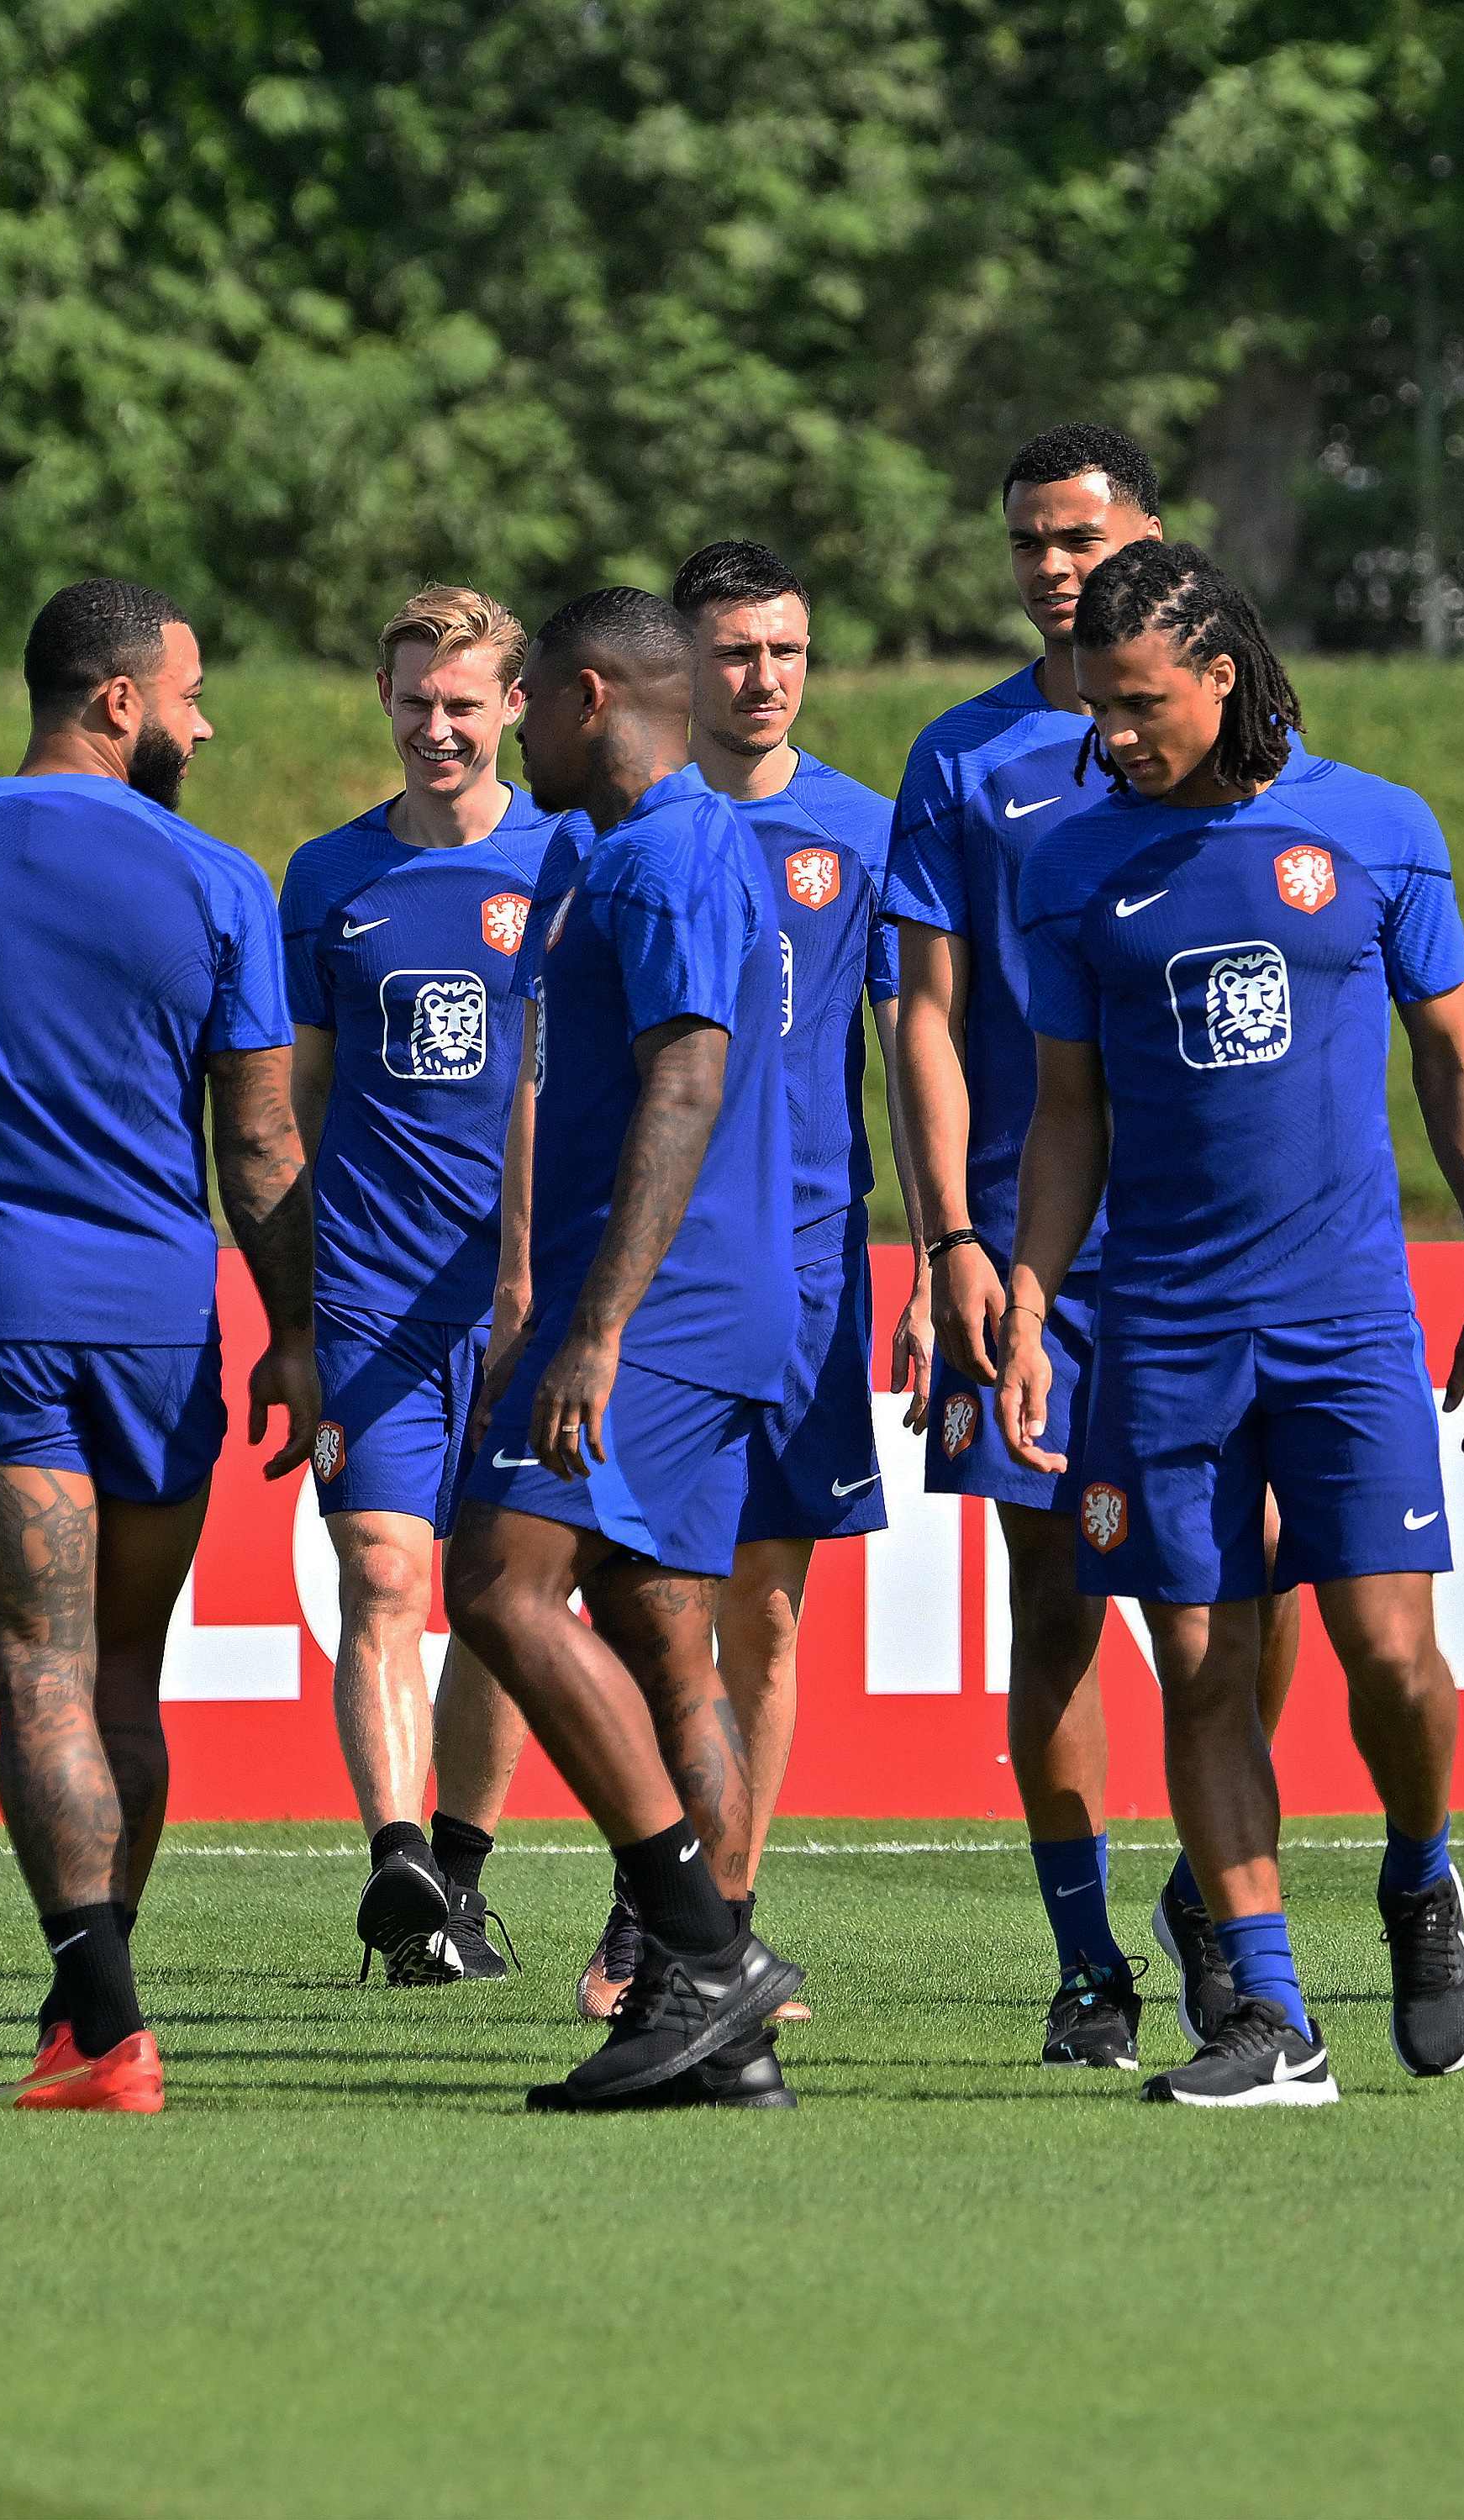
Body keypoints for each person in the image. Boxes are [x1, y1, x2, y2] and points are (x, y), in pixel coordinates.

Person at [998, 540, 1464, 2107]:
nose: (1114, 733)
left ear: (1221, 673)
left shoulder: (1377, 827)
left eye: (1143, 702)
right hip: (1159, 1324)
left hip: (1346, 1316)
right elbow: (1066, 1117)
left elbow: (1452, 1062)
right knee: (1205, 1664)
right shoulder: (1069, 865)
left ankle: (1421, 1877)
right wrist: (1029, 1298)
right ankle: (1270, 2014)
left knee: (1386, 1654)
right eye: (1099, 706)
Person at [0, 578, 314, 2114]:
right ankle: (91, 2012)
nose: (203, 719)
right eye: (188, 693)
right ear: (117, 699)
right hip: (157, 1329)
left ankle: (102, 2022)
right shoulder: (218, 880)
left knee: (38, 1681)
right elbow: (260, 1151)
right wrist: (297, 1331)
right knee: (121, 1677)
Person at [882, 424, 1293, 2068]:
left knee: (1231, 1616)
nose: (1051, 566)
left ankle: (1216, 1898)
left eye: (1077, 535)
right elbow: (921, 1014)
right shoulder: (960, 758)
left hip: (1206, 1252)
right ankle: (1084, 1967)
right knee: (1049, 1596)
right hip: (1025, 1254)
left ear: (1144, 539)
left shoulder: (1231, 744)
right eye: (1027, 544)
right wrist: (947, 1243)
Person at [443, 587, 805, 2113]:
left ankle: (705, 1952)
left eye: (525, 698)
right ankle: (715, 2039)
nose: (512, 726)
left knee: (497, 1586)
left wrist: (591, 1329)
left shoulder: (657, 854)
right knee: (663, 1637)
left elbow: (684, 1087)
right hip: (685, 1300)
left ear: (588, 696)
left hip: (659, 1313)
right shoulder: (647, 848)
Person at [629, 535, 906, 2023]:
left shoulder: (860, 831)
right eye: (736, 651)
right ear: (687, 663)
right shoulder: (630, 829)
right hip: (658, 1269)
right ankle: (652, 1900)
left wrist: (945, 1251)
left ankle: (723, 1922)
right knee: (648, 1598)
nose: (764, 677)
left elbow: (914, 1058)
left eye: (786, 650)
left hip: (809, 1264)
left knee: (771, 1610)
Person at [276, 588, 563, 1986]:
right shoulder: (325, 877)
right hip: (375, 1295)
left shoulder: (575, 859)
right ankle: (395, 1851)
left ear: (515, 705)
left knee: (504, 1595)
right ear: (382, 701)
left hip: (536, 1303)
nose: (436, 726)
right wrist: (293, 1304)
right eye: (413, 701)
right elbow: (299, 1100)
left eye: (463, 703)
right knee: (383, 1573)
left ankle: (455, 1875)